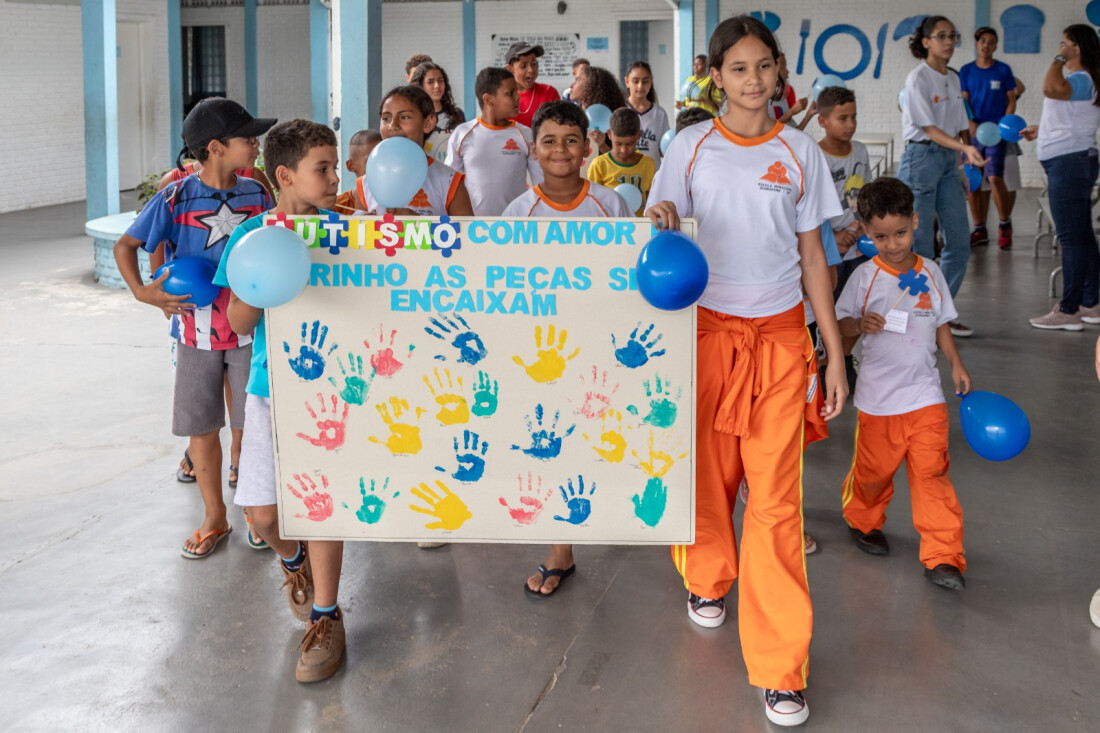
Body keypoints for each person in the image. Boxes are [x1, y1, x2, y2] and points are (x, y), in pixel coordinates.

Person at [646, 16, 846, 726]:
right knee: (707, 477)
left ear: (780, 71)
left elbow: (815, 256)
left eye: (764, 66)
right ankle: (707, 576)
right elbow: (659, 223)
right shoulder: (690, 146)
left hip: (783, 343)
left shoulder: (799, 152)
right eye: (738, 68)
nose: (753, 80)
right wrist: (663, 214)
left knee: (775, 504)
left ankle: (780, 663)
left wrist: (832, 348)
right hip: (704, 336)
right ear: (716, 76)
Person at [214, 119, 348, 681]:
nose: (335, 176)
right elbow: (235, 322)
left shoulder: (347, 232)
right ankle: (295, 565)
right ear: (285, 175)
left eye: (336, 165)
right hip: (270, 389)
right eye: (323, 168)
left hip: (331, 395)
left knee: (320, 506)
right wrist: (263, 285)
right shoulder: (255, 237)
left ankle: (327, 616)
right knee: (264, 515)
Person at [113, 97, 274, 558]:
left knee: (250, 426)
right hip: (195, 334)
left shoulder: (258, 192)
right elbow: (128, 245)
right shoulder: (176, 196)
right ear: (217, 147)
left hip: (251, 332)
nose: (255, 143)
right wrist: (144, 292)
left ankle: (254, 512)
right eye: (247, 137)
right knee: (202, 429)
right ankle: (214, 517)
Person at [503, 100, 632, 599]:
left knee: (601, 436)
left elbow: (626, 271)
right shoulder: (519, 212)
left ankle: (617, 514)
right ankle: (562, 549)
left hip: (601, 342)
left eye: (571, 140)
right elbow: (506, 285)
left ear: (588, 146)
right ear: (534, 150)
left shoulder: (610, 204)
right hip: (545, 352)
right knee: (550, 438)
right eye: (550, 141)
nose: (561, 150)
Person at [835, 177, 971, 591]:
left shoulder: (930, 272)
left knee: (933, 474)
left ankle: (943, 555)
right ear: (865, 232)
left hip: (925, 395)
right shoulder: (863, 279)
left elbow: (942, 324)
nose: (893, 245)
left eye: (900, 233)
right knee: (874, 473)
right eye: (880, 237)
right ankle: (863, 519)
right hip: (878, 401)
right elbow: (841, 331)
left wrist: (956, 363)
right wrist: (859, 324)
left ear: (916, 222)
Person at [898, 15, 985, 338]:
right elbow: (929, 128)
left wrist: (964, 157)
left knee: (960, 244)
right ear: (926, 42)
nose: (949, 42)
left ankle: (935, 314)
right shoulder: (918, 78)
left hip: (949, 160)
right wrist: (963, 146)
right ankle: (916, 317)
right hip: (921, 158)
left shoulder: (952, 76)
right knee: (919, 247)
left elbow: (960, 123)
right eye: (941, 36)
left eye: (953, 36)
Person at [1022, 25, 1100, 331]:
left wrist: (1057, 59)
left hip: (1069, 164)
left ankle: (1069, 310)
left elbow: (1050, 89)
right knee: (1082, 235)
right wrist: (1041, 130)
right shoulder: (1086, 81)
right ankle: (1091, 303)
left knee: (1070, 239)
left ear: (1077, 48)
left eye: (1065, 43)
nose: (1060, 47)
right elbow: (1074, 117)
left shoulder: (1080, 78)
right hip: (1074, 159)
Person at [817, 85, 872, 393]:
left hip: (860, 247)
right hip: (829, 249)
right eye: (842, 118)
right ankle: (825, 363)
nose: (850, 124)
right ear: (822, 120)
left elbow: (865, 193)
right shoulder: (814, 155)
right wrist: (832, 237)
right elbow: (808, 208)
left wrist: (865, 225)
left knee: (859, 309)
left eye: (853, 117)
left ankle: (844, 355)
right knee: (830, 311)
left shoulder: (861, 151)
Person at [355, 85, 474, 218]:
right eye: (386, 118)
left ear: (428, 123)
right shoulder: (367, 183)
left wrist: (419, 226)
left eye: (404, 117)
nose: (393, 126)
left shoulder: (450, 182)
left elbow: (467, 237)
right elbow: (359, 236)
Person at [446, 67, 543, 216]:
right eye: (510, 93)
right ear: (488, 99)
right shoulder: (463, 134)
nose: (518, 97)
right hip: (473, 227)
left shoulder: (526, 135)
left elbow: (541, 185)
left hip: (515, 227)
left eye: (516, 92)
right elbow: (448, 185)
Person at [959, 26, 1018, 249]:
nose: (986, 45)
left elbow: (1011, 99)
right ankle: (980, 229)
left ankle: (1004, 224)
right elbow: (964, 102)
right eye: (982, 40)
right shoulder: (966, 71)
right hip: (974, 133)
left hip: (997, 134)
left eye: (991, 41)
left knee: (994, 177)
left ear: (995, 45)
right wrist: (971, 122)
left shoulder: (1003, 70)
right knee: (974, 181)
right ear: (976, 43)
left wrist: (1006, 122)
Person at [585, 107, 655, 215]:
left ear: (639, 136)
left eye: (630, 144)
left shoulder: (648, 164)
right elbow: (592, 202)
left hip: (641, 226)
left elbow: (653, 200)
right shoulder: (599, 164)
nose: (623, 150)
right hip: (610, 226)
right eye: (618, 144)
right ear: (609, 134)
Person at [569, 65, 627, 168]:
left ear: (591, 86)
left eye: (577, 80)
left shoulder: (613, 118)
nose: (571, 85)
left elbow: (621, 162)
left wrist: (602, 145)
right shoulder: (571, 115)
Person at [624, 61, 670, 170]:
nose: (640, 86)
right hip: (626, 173)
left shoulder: (659, 113)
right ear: (627, 81)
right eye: (635, 81)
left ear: (651, 81)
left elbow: (663, 150)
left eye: (645, 81)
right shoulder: (620, 110)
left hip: (652, 175)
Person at [506, 42, 560, 128]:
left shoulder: (549, 93)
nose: (531, 70)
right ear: (510, 69)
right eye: (523, 66)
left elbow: (558, 127)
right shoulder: (501, 97)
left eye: (534, 64)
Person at [334, 129, 381, 214]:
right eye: (370, 162)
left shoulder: (396, 203)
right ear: (351, 166)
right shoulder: (337, 206)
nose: (380, 168)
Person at [410, 62, 466, 133]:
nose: (437, 85)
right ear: (420, 86)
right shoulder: (415, 116)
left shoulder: (457, 114)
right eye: (430, 82)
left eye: (440, 81)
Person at [772, 51, 815, 131]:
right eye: (783, 66)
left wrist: (810, 113)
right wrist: (791, 112)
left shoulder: (782, 99)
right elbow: (767, 132)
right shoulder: (762, 100)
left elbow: (794, 133)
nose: (787, 71)